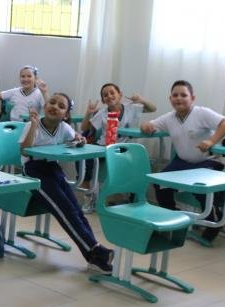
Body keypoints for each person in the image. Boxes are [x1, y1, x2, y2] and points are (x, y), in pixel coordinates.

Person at [20, 94, 114, 273]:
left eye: (61, 106)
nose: (55, 106)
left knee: (76, 211)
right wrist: (32, 125)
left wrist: (80, 140)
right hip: (33, 171)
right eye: (52, 102)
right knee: (65, 211)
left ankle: (93, 255)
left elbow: (76, 139)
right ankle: (96, 249)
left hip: (53, 169)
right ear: (45, 106)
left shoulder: (64, 127)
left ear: (65, 115)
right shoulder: (32, 124)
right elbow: (24, 149)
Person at [140, 80, 225, 242]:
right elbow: (149, 125)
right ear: (170, 99)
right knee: (160, 183)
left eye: (184, 95)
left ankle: (214, 222)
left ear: (192, 98)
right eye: (175, 95)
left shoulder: (202, 113)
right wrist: (145, 127)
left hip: (208, 161)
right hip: (183, 162)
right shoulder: (169, 118)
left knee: (200, 187)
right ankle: (173, 218)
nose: (179, 98)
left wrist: (211, 141)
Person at [82, 83, 156, 145]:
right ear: (103, 101)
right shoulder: (102, 113)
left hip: (123, 148)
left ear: (120, 95)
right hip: (104, 147)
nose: (109, 96)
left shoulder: (130, 108)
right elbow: (84, 128)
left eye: (112, 93)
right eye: (105, 95)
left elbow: (153, 108)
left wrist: (141, 100)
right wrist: (88, 113)